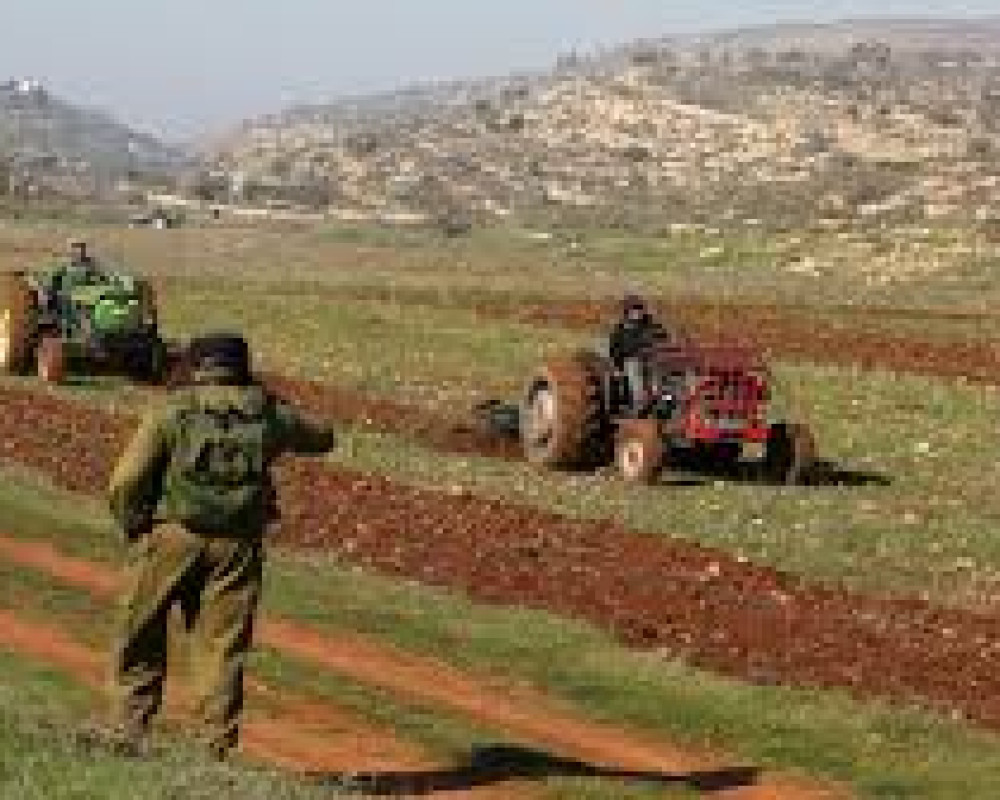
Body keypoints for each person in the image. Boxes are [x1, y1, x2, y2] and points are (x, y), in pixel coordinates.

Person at [105, 333, 335, 759]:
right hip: (237, 547)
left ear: (196, 366)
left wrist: (136, 526)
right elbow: (323, 437)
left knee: (141, 630)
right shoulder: (268, 415)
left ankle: (128, 730)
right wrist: (270, 402)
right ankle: (212, 747)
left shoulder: (172, 412)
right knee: (221, 646)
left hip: (171, 537)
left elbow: (126, 481)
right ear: (242, 366)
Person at [605, 294, 673, 413]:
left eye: (638, 309)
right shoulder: (620, 330)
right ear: (627, 312)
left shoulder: (652, 326)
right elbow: (614, 350)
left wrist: (659, 349)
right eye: (633, 310)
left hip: (651, 359)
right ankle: (639, 403)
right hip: (630, 361)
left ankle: (664, 400)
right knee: (633, 370)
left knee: (661, 374)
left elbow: (664, 340)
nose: (636, 313)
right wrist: (616, 367)